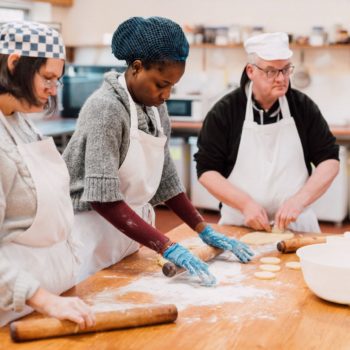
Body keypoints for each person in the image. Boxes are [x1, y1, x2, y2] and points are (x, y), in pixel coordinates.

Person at [63, 16, 253, 286]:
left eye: (173, 86)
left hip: (129, 231)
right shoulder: (105, 109)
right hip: (89, 233)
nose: (167, 94)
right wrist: (167, 246)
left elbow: (167, 177)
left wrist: (203, 229)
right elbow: (103, 199)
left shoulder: (156, 109)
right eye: (162, 84)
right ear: (137, 68)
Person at [194, 32, 339, 233]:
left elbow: (329, 161)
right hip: (240, 224)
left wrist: (299, 201)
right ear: (251, 70)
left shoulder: (303, 108)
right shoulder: (225, 111)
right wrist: (245, 204)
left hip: (297, 227)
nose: (281, 78)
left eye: (286, 69)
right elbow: (206, 170)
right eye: (271, 71)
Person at [0, 21, 95, 328]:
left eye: (58, 80)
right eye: (48, 78)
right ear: (14, 64)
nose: (54, 90)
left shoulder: (20, 121)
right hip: (13, 313)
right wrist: (44, 299)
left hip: (49, 301)